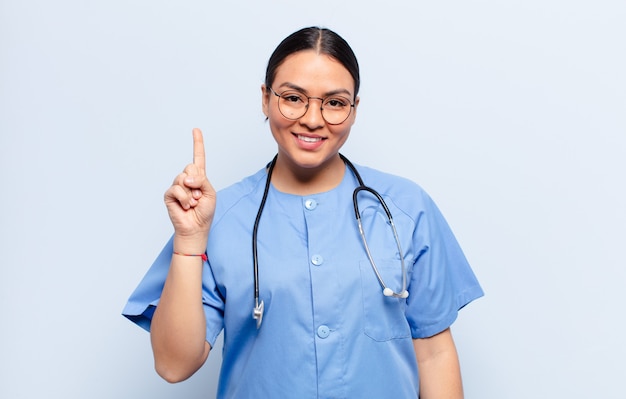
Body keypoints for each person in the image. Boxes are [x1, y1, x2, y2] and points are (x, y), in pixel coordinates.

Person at [123, 26, 483, 398]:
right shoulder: (218, 217)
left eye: (335, 102)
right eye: (293, 98)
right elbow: (173, 364)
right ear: (265, 99)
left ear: (355, 109)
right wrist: (188, 241)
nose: (313, 119)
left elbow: (434, 355)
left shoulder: (406, 208)